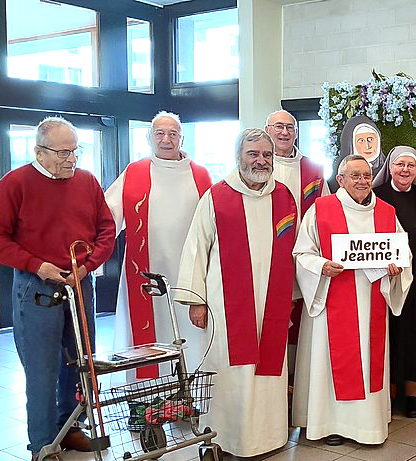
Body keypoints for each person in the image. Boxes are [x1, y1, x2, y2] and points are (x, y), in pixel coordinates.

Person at [0, 117, 116, 459]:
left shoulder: (87, 181)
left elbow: (106, 229)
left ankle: (69, 427)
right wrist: (37, 265)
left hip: (79, 282)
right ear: (39, 152)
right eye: (63, 153)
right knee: (42, 368)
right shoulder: (15, 184)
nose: (72, 159)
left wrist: (87, 267)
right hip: (36, 285)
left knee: (80, 361)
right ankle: (42, 443)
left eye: (75, 151)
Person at [174, 128, 296, 457]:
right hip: (226, 304)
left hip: (272, 301)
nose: (261, 161)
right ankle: (225, 437)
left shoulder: (284, 197)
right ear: (238, 157)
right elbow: (197, 247)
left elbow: (294, 250)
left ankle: (268, 436)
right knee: (231, 371)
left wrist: (294, 295)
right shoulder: (216, 197)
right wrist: (196, 300)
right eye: (253, 154)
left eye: (267, 155)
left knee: (268, 368)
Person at [292, 154, 413, 446]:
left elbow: (402, 252)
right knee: (332, 362)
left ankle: (368, 425)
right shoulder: (321, 209)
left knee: (369, 361)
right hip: (331, 298)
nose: (362, 181)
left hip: (372, 301)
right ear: (341, 179)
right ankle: (330, 424)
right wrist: (321, 266)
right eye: (355, 176)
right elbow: (302, 253)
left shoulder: (386, 212)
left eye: (366, 176)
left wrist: (397, 268)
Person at [105, 111, 212, 380]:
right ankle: (148, 395)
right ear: (149, 138)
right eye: (160, 133)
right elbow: (107, 217)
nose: (166, 139)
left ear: (182, 139)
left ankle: (189, 390)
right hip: (146, 272)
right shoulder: (134, 172)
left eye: (173, 134)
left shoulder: (200, 175)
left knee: (189, 333)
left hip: (189, 272)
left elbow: (214, 222)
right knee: (149, 334)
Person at [373, 146, 416, 419]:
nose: (405, 170)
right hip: (388, 278)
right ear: (390, 167)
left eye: (410, 166)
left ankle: (412, 393)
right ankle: (390, 393)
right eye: (400, 164)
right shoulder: (376, 196)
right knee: (392, 333)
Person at [265, 109, 330, 370]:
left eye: (289, 127)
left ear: (296, 132)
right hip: (269, 254)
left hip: (306, 256)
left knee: (302, 317)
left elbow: (327, 212)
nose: (284, 132)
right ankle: (274, 375)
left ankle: (297, 375)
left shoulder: (313, 169)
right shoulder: (258, 165)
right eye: (278, 127)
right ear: (267, 130)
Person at [340, 115, 389, 187]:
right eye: (361, 141)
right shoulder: (340, 175)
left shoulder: (389, 172)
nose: (367, 146)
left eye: (370, 139)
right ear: (351, 144)